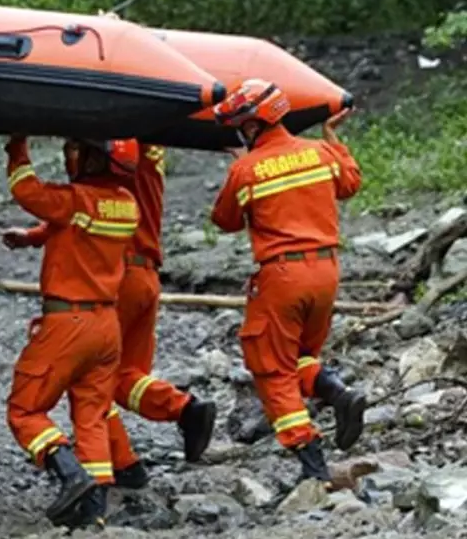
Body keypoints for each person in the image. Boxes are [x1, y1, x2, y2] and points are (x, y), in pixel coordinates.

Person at [209, 78, 364, 485]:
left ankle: (312, 463)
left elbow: (224, 220)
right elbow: (350, 183)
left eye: (242, 126)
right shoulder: (320, 153)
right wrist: (331, 136)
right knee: (300, 355)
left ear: (253, 124)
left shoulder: (246, 170)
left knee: (271, 368)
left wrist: (239, 167)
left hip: (282, 277)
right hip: (326, 273)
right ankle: (337, 392)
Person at [1, 136, 139, 530]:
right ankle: (95, 508)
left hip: (68, 323)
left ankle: (69, 473)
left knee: (25, 410)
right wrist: (33, 238)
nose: (70, 156)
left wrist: (17, 147)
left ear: (96, 159)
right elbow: (74, 226)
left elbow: (27, 190)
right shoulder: (127, 205)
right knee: (92, 415)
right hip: (106, 326)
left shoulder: (76, 199)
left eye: (78, 150)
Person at [98, 144, 216, 485]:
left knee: (91, 377)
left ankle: (124, 465)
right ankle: (185, 409)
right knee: (126, 376)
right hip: (146, 275)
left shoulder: (122, 151)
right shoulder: (150, 150)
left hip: (119, 277)